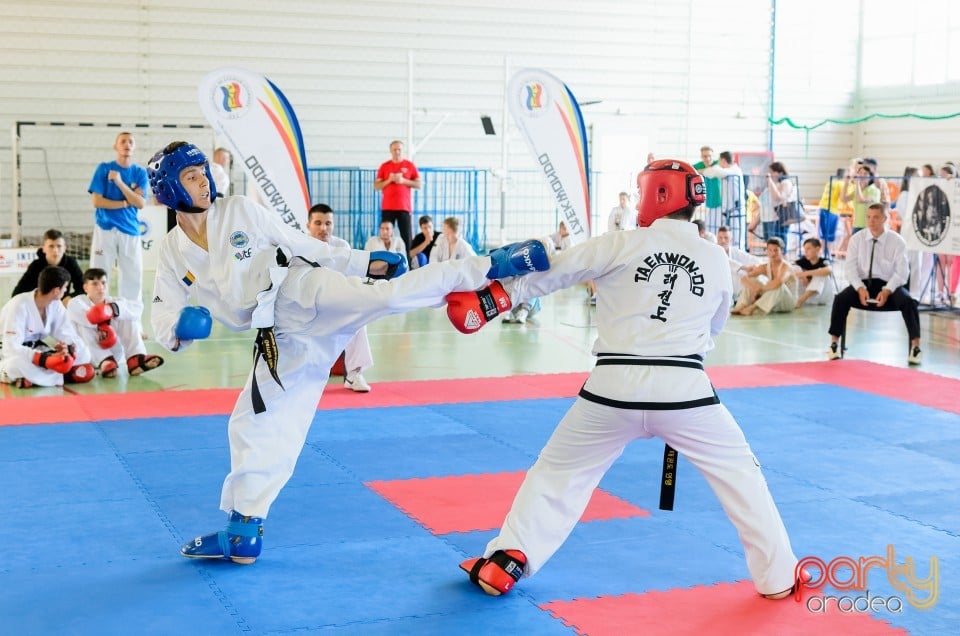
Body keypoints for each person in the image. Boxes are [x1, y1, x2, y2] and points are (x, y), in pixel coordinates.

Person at [148, 141, 550, 564]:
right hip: (278, 335)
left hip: (300, 288)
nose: (203, 182)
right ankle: (243, 529)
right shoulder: (173, 252)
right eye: (190, 177)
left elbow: (302, 243)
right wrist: (178, 329)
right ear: (169, 189)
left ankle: (494, 268)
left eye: (203, 172)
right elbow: (164, 311)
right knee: (251, 423)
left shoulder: (239, 211)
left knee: (385, 297)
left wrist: (362, 262)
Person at [449, 159, 799, 601]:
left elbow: (554, 269)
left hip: (610, 389)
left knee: (558, 473)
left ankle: (506, 559)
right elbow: (714, 328)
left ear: (657, 195)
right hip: (687, 392)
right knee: (742, 476)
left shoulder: (620, 243)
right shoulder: (715, 257)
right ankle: (778, 577)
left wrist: (496, 297)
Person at [827, 203, 921, 365]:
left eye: (876, 217)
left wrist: (887, 290)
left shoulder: (897, 241)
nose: (871, 221)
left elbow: (902, 273)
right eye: (868, 217)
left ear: (885, 219)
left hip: (889, 285)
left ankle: (916, 347)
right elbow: (850, 268)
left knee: (908, 302)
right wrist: (859, 287)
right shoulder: (857, 239)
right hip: (863, 285)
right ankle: (834, 343)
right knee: (841, 298)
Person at [308, 203, 374, 392]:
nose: (323, 228)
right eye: (318, 223)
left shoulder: (342, 246)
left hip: (334, 304)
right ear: (308, 225)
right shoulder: (300, 246)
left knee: (358, 317)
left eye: (328, 223)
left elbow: (351, 281)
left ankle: (354, 374)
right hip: (306, 306)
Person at [88, 132, 149, 330]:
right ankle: (98, 321)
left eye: (131, 141)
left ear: (135, 147)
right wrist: (126, 201)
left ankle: (132, 325)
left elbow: (140, 203)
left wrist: (120, 183)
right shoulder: (104, 169)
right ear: (116, 146)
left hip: (130, 232)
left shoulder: (140, 173)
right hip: (105, 229)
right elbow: (97, 201)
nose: (127, 145)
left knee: (132, 277)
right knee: (98, 274)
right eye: (123, 141)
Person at [0, 266, 95, 388]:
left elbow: (67, 333)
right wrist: (43, 359)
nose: (66, 290)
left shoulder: (55, 305)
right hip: (7, 352)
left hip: (36, 348)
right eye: (65, 287)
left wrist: (67, 349)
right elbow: (10, 348)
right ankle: (64, 376)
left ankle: (35, 378)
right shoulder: (19, 305)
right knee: (15, 365)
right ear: (56, 291)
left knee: (84, 353)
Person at [66, 268, 164, 378]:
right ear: (85, 287)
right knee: (85, 324)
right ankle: (104, 360)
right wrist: (104, 317)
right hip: (89, 355)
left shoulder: (115, 301)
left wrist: (113, 309)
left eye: (103, 283)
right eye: (95, 284)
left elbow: (137, 309)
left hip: (115, 355)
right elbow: (88, 318)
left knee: (126, 315)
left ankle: (135, 358)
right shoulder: (76, 302)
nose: (100, 287)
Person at [374, 140, 421, 264]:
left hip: (404, 208)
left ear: (402, 150)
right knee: (385, 235)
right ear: (391, 151)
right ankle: (384, 262)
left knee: (407, 237)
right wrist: (389, 180)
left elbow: (419, 184)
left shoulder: (410, 165)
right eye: (394, 149)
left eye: (399, 149)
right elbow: (377, 186)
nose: (397, 152)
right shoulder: (385, 166)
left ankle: (408, 264)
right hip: (388, 207)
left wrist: (403, 181)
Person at [12, 229, 84, 302]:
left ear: (64, 248)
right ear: (44, 249)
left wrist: (70, 297)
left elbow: (83, 288)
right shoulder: (36, 266)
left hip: (61, 304)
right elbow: (18, 293)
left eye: (59, 246)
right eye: (51, 246)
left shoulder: (71, 263)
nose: (55, 250)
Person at [731, 238, 797, 316]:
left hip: (787, 303)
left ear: (782, 251)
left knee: (779, 286)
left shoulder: (786, 267)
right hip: (773, 302)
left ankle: (753, 307)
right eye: (770, 250)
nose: (773, 253)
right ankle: (742, 305)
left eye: (776, 250)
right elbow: (744, 278)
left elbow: (778, 282)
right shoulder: (765, 266)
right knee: (752, 280)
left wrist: (760, 290)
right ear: (767, 251)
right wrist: (754, 288)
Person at [716, 225, 760, 306]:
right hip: (719, 285)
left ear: (731, 240)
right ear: (717, 238)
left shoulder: (734, 251)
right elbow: (725, 261)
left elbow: (750, 258)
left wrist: (757, 266)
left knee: (748, 274)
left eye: (726, 238)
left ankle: (751, 295)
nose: (722, 240)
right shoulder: (714, 251)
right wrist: (744, 267)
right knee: (739, 273)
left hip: (735, 287)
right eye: (720, 238)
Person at [761, 161, 796, 248]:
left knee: (781, 237)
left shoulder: (786, 183)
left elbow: (777, 197)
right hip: (777, 215)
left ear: (780, 172)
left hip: (784, 214)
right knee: (777, 237)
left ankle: (782, 256)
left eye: (772, 172)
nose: (770, 174)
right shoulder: (778, 184)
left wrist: (770, 181)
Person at [794, 238, 834, 308]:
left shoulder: (824, 261)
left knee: (820, 274)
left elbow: (828, 270)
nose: (805, 252)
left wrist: (805, 273)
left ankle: (799, 301)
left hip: (822, 297)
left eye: (808, 249)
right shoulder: (803, 261)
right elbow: (790, 267)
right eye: (804, 249)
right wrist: (803, 277)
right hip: (808, 297)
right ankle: (794, 299)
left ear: (817, 249)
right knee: (795, 269)